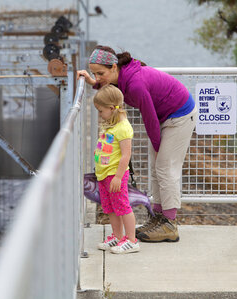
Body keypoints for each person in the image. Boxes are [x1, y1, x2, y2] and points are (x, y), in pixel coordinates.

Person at [78, 45, 197, 243]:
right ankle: (158, 217)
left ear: (114, 67)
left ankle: (169, 224)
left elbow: (149, 119)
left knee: (165, 169)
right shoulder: (123, 77)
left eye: (100, 73)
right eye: (94, 73)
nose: (98, 77)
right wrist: (93, 83)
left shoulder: (135, 84)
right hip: (166, 117)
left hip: (180, 115)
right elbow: (112, 91)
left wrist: (158, 147)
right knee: (157, 168)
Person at [93, 84, 139, 254]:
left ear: (112, 109)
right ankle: (118, 236)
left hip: (115, 175)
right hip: (103, 174)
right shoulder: (109, 124)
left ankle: (132, 240)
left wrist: (118, 177)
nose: (99, 115)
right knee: (110, 207)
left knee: (122, 206)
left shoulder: (123, 127)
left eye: (100, 111)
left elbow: (126, 155)